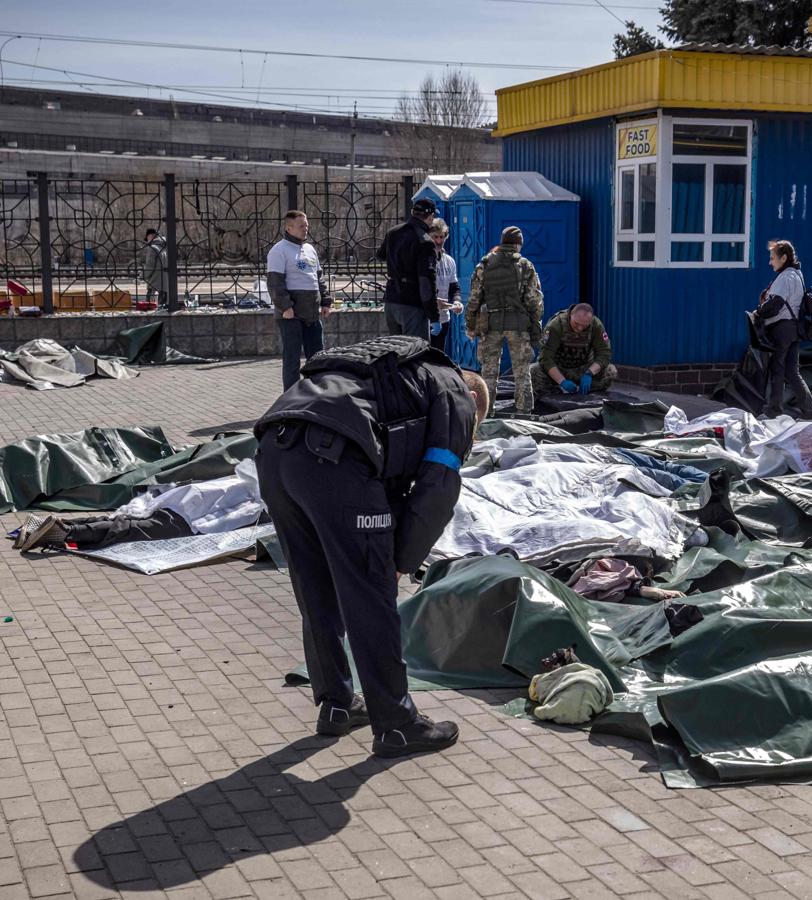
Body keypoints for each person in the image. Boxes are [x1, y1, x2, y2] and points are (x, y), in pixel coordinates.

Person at [253, 335, 488, 757]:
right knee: (370, 594)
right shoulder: (456, 392)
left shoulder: (394, 370)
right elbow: (437, 485)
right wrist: (400, 559)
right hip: (335, 460)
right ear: (472, 395)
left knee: (315, 585)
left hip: (274, 450)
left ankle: (336, 705)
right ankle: (397, 725)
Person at [12, 460, 264, 551]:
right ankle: (66, 532)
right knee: (128, 528)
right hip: (187, 516)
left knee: (124, 522)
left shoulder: (246, 477)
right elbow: (229, 517)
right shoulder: (261, 499)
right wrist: (202, 527)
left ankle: (62, 525)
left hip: (179, 502)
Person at [465, 226, 543, 415]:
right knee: (522, 372)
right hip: (518, 325)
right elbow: (534, 300)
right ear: (518, 244)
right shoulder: (525, 265)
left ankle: (485, 412)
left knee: (489, 373)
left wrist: (470, 324)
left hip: (490, 324)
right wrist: (536, 327)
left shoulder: (484, 264)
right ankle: (524, 413)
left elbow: (474, 298)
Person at [267, 210, 333, 390]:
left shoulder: (309, 249)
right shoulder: (279, 251)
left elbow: (318, 278)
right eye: (301, 226)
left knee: (317, 357)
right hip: (291, 315)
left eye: (307, 225)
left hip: (312, 313)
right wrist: (285, 306)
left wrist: (325, 302)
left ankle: (317, 393)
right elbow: (275, 283)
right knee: (292, 358)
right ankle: (291, 397)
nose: (306, 229)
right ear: (289, 228)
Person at [754, 239, 812, 420]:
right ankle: (810, 413)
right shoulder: (797, 274)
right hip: (793, 328)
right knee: (792, 371)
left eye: (773, 258)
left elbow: (776, 303)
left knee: (778, 369)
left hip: (781, 328)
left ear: (783, 258)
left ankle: (773, 411)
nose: (770, 262)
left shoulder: (786, 277)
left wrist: (758, 312)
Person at [377, 198, 439, 340]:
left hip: (391, 300)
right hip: (412, 304)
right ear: (430, 216)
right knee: (416, 353)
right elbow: (426, 282)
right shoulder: (425, 241)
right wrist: (433, 315)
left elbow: (380, 255)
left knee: (398, 352)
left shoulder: (393, 232)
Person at [530, 302, 616, 399]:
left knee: (610, 371)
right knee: (534, 371)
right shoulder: (556, 325)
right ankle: (553, 395)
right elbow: (545, 358)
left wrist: (589, 373)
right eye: (576, 324)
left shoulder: (596, 325)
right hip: (559, 368)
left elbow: (604, 353)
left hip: (583, 369)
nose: (579, 328)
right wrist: (562, 381)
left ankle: (587, 392)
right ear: (571, 315)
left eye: (584, 326)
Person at [427, 218, 463, 354]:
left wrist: (457, 302)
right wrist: (433, 302)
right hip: (427, 319)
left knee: (439, 356)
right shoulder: (424, 259)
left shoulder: (450, 261)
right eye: (435, 237)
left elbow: (454, 287)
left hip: (444, 318)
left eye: (441, 237)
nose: (438, 241)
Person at [142, 228, 170, 309]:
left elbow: (149, 267)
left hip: (154, 285)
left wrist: (142, 276)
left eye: (147, 238)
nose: (147, 241)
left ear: (150, 236)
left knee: (150, 309)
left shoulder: (153, 248)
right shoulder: (165, 247)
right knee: (163, 310)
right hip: (165, 285)